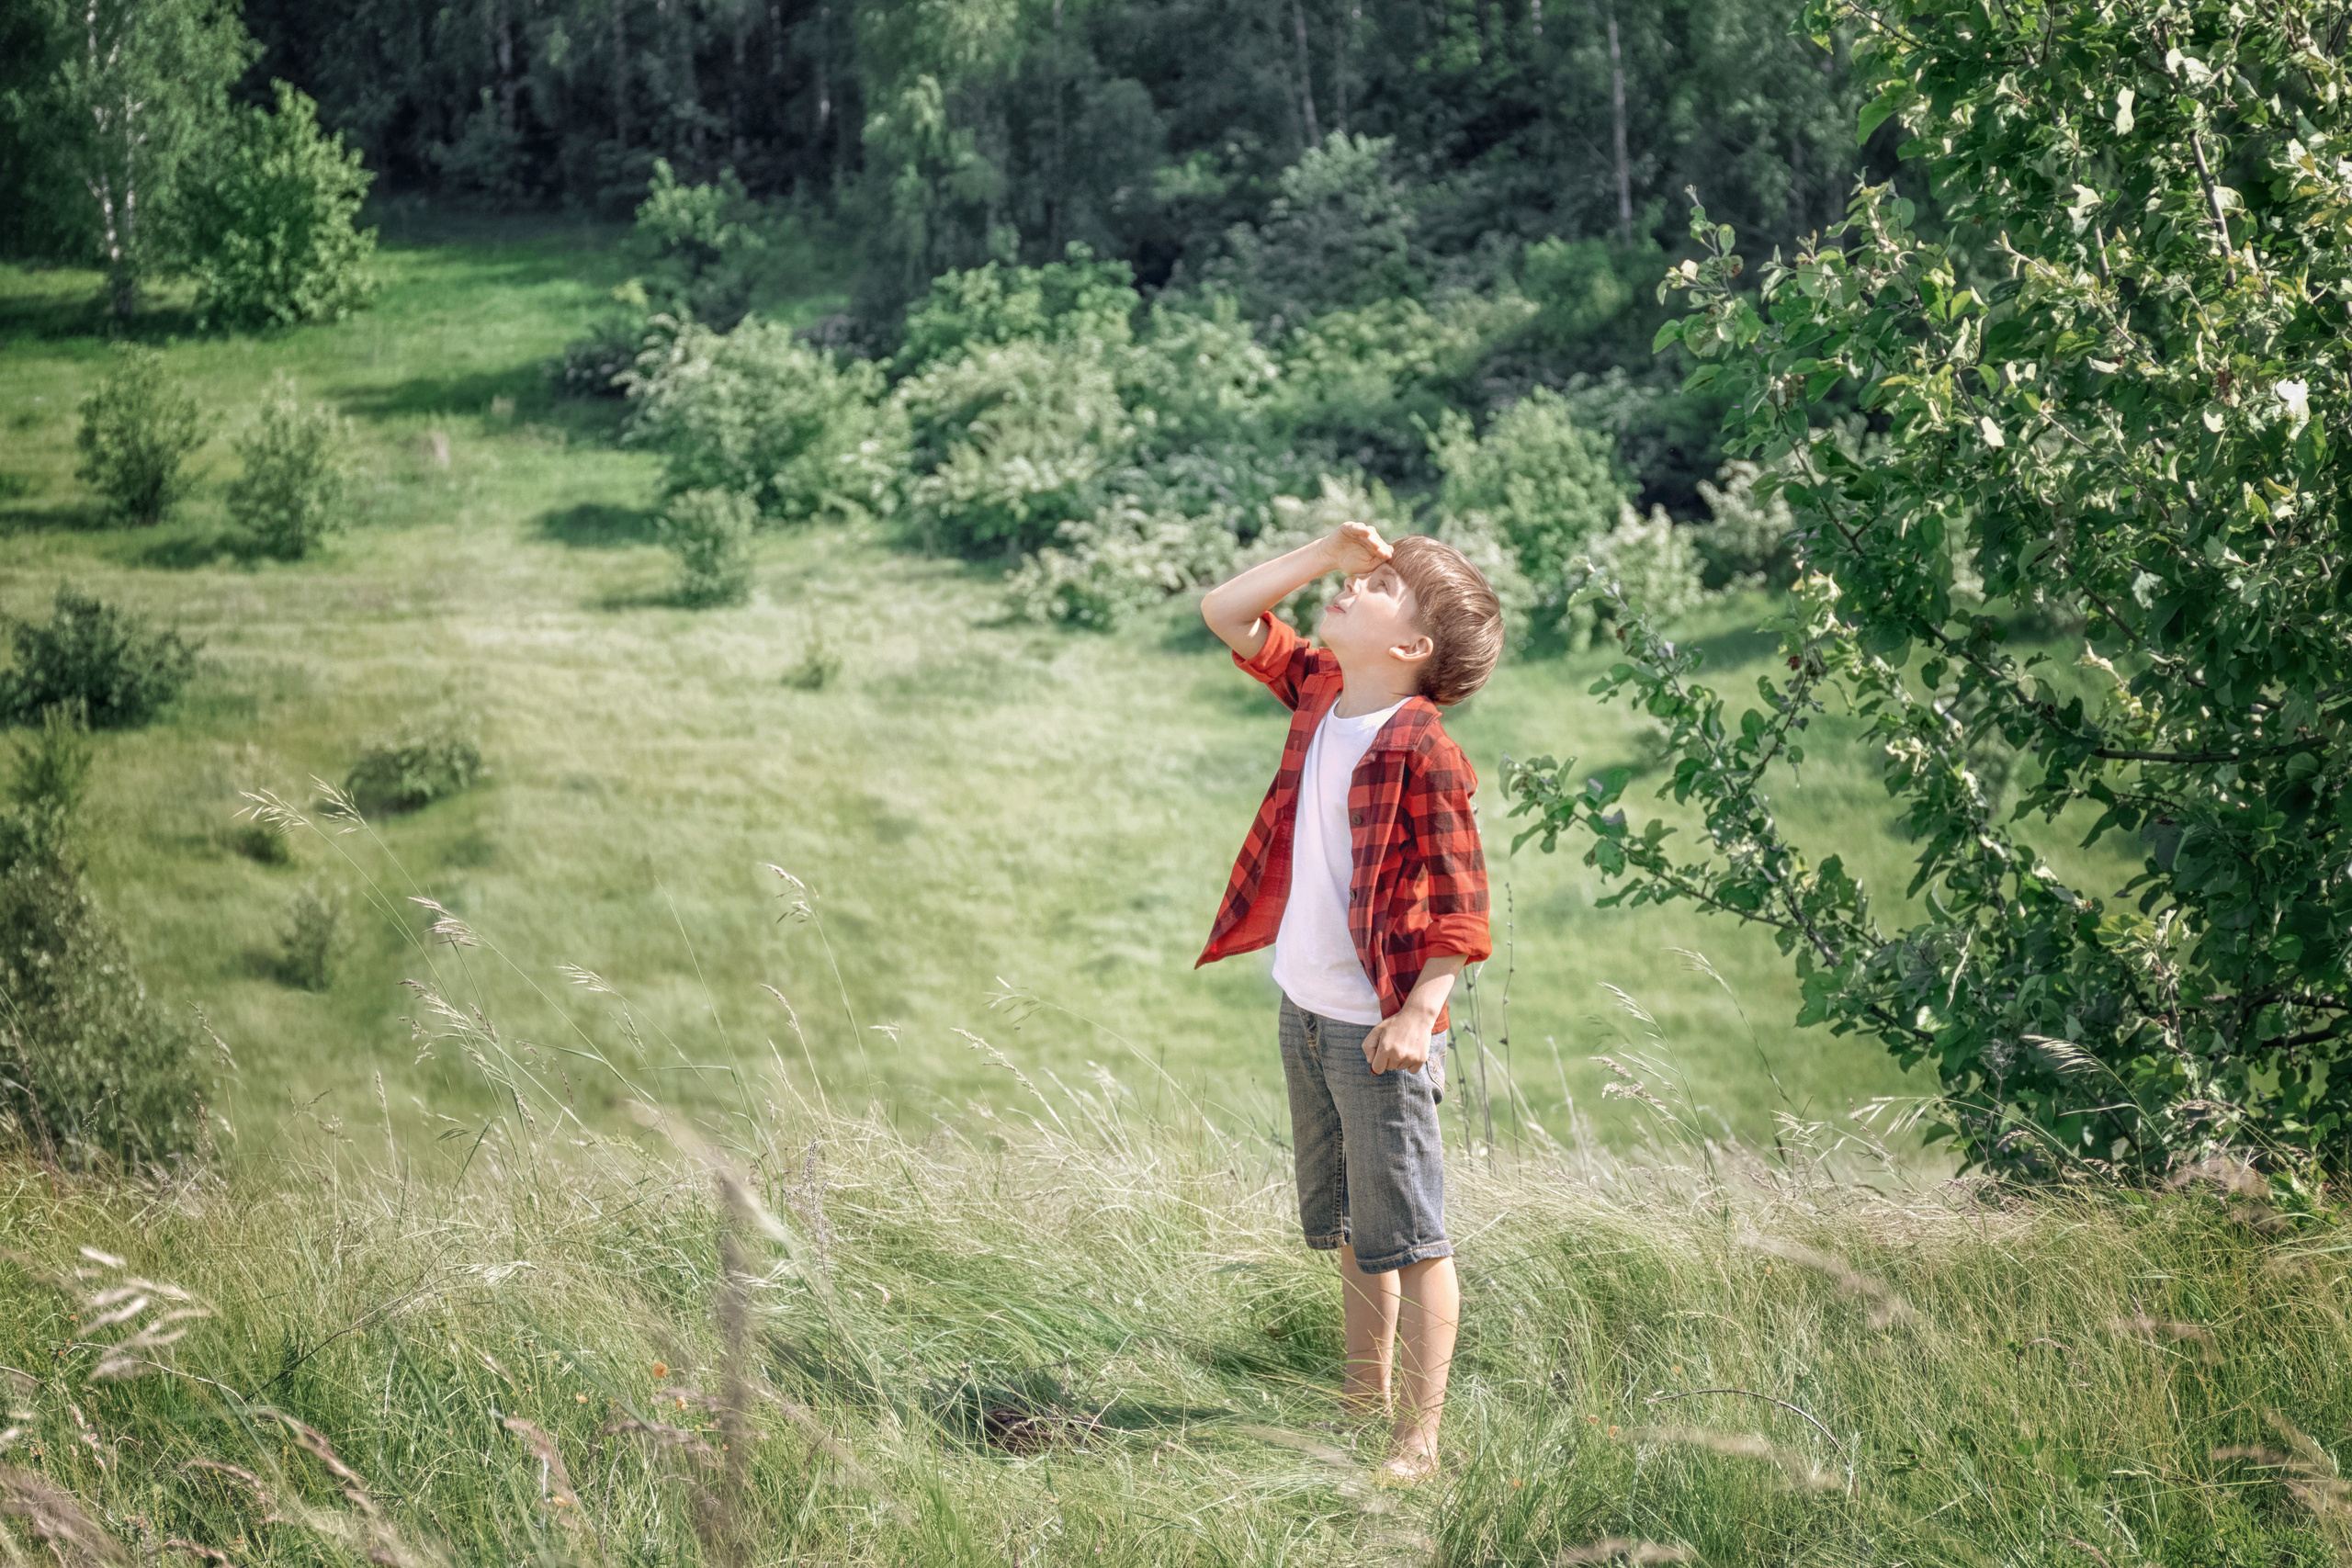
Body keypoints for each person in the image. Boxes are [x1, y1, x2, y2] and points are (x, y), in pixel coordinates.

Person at [1195, 518, 1502, 1482]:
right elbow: (1225, 611)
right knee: (1355, 1235)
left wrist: (1417, 1015)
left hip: (1380, 1028)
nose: (1355, 589)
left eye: (1380, 589)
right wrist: (1325, 558)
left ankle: (1418, 1439)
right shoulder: (1323, 689)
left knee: (1410, 1235)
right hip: (1306, 1005)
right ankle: (1359, 1405)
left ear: (1409, 649)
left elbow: (1462, 904)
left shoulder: (1423, 750)